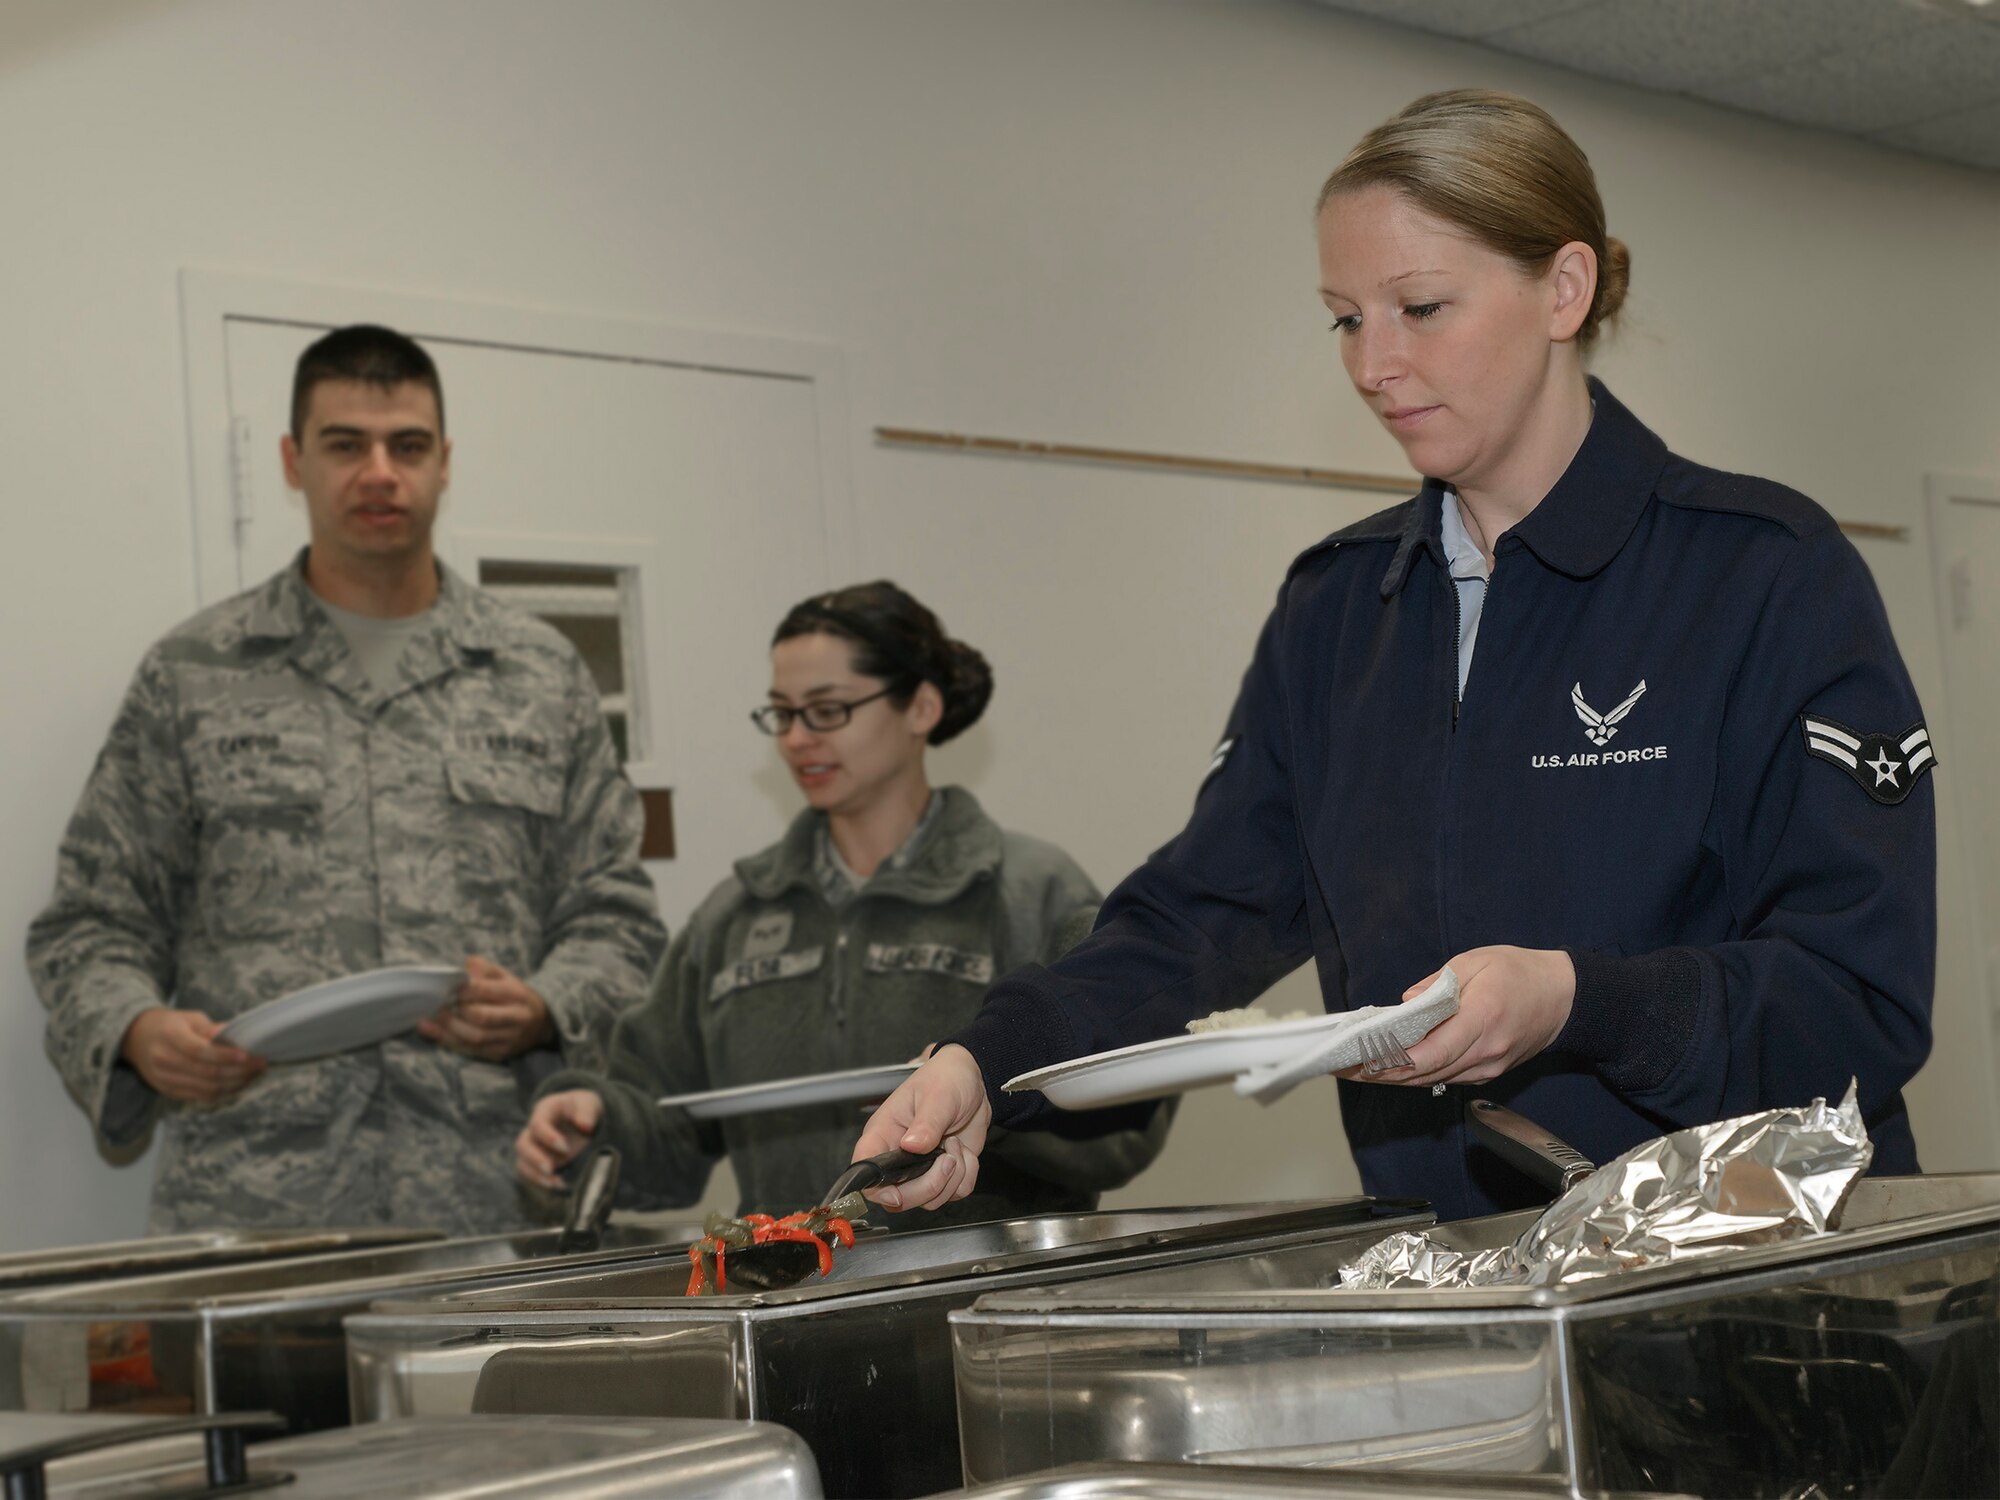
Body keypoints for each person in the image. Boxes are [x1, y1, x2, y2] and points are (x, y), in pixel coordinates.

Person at [854, 89, 1936, 1224]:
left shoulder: (1760, 573)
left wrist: (1577, 1002)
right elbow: (1197, 920)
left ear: (1563, 289)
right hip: (1470, 1274)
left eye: (1419, 308)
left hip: (1757, 1273)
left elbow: (1856, 1002)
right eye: (1344, 320)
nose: (1373, 365)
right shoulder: (1337, 610)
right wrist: (987, 1062)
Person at [28, 324, 666, 1235]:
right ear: (293, 462)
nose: (379, 473)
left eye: (407, 445)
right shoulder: (196, 673)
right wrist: (136, 1030)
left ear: (444, 462)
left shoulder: (539, 673)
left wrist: (543, 1007)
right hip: (254, 1207)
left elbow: (617, 919)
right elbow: (91, 923)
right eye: (345, 445)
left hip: (494, 1198)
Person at [514, 581, 1173, 1227]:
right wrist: (595, 1126)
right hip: (785, 1285)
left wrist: (981, 1095)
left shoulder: (1032, 891)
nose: (796, 738)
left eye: (826, 710)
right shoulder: (734, 917)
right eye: (782, 713)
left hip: (987, 1290)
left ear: (921, 707)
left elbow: (1126, 1124)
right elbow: (669, 1127)